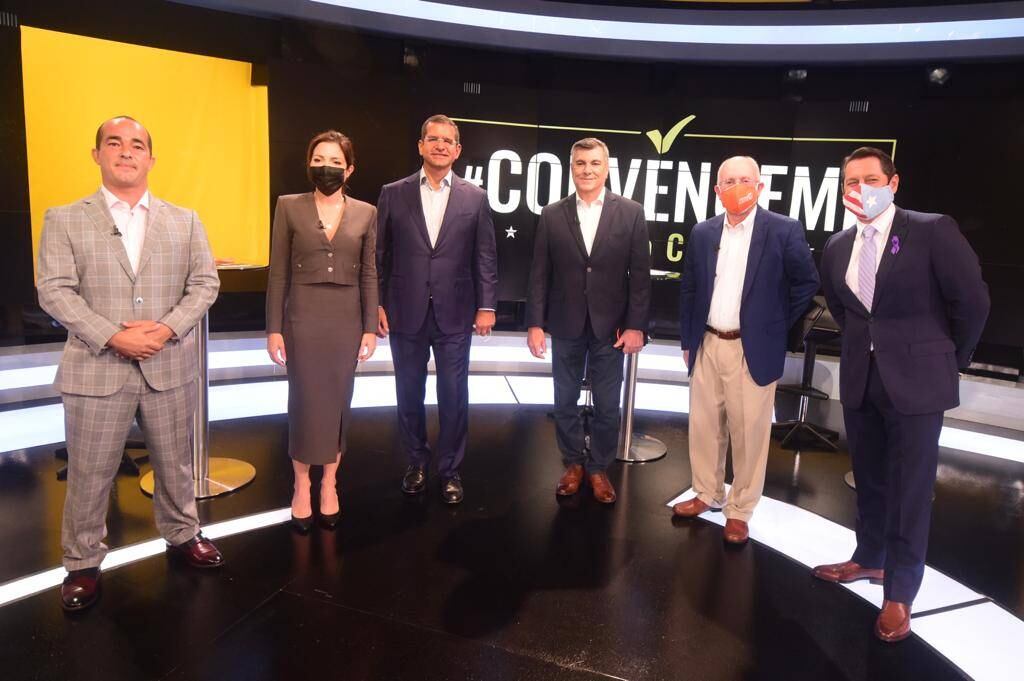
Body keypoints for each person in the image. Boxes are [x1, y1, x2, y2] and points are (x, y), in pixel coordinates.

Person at [36, 116, 223, 612]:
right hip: (97, 367)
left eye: (137, 145)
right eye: (114, 143)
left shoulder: (185, 220)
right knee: (89, 473)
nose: (126, 151)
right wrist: (113, 336)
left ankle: (183, 533)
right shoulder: (64, 219)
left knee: (175, 465)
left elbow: (205, 284)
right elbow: (54, 290)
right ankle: (82, 562)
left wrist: (164, 329)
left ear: (150, 159)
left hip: (168, 364)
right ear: (96, 154)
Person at [813, 147, 989, 642]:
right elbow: (846, 311)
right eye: (852, 182)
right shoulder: (837, 246)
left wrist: (949, 358)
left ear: (892, 184)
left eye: (871, 179)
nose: (861, 189)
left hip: (919, 381)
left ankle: (900, 591)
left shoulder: (932, 230)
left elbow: (972, 301)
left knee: (911, 490)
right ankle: (870, 557)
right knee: (869, 479)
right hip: (862, 378)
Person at [672, 156, 818, 543]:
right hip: (707, 341)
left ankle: (740, 509)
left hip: (751, 347)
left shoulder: (783, 229)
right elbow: (689, 287)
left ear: (759, 186)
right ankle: (707, 492)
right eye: (729, 181)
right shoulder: (703, 232)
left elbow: (806, 282)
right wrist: (688, 340)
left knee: (749, 433)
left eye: (745, 180)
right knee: (704, 427)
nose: (737, 187)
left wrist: (773, 324)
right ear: (717, 190)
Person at [375, 114, 498, 504]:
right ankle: (416, 462)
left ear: (457, 150)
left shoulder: (474, 197)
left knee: (453, 394)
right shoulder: (393, 193)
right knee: (408, 392)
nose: (440, 145)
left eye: (448, 140)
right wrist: (376, 303)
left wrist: (486, 306)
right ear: (421, 145)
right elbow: (379, 254)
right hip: (404, 310)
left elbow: (485, 256)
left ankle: (450, 470)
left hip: (456, 312)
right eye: (433, 139)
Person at [526, 137, 651, 504]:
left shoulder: (631, 212)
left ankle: (598, 468)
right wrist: (535, 324)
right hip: (565, 323)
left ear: (606, 168)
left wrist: (636, 326)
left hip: (611, 328)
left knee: (608, 405)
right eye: (580, 163)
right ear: (572, 168)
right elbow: (539, 274)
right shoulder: (552, 214)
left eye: (595, 163)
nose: (587, 170)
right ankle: (573, 463)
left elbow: (640, 276)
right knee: (564, 400)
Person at [266, 130, 378, 532]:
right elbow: (278, 272)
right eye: (318, 160)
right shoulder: (288, 206)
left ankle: (330, 482)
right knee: (304, 401)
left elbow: (369, 273)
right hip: (302, 317)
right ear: (308, 164)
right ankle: (301, 485)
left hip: (347, 319)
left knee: (338, 402)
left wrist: (369, 328)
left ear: (349, 169)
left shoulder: (367, 212)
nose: (325, 167)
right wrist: (274, 328)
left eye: (334, 161)